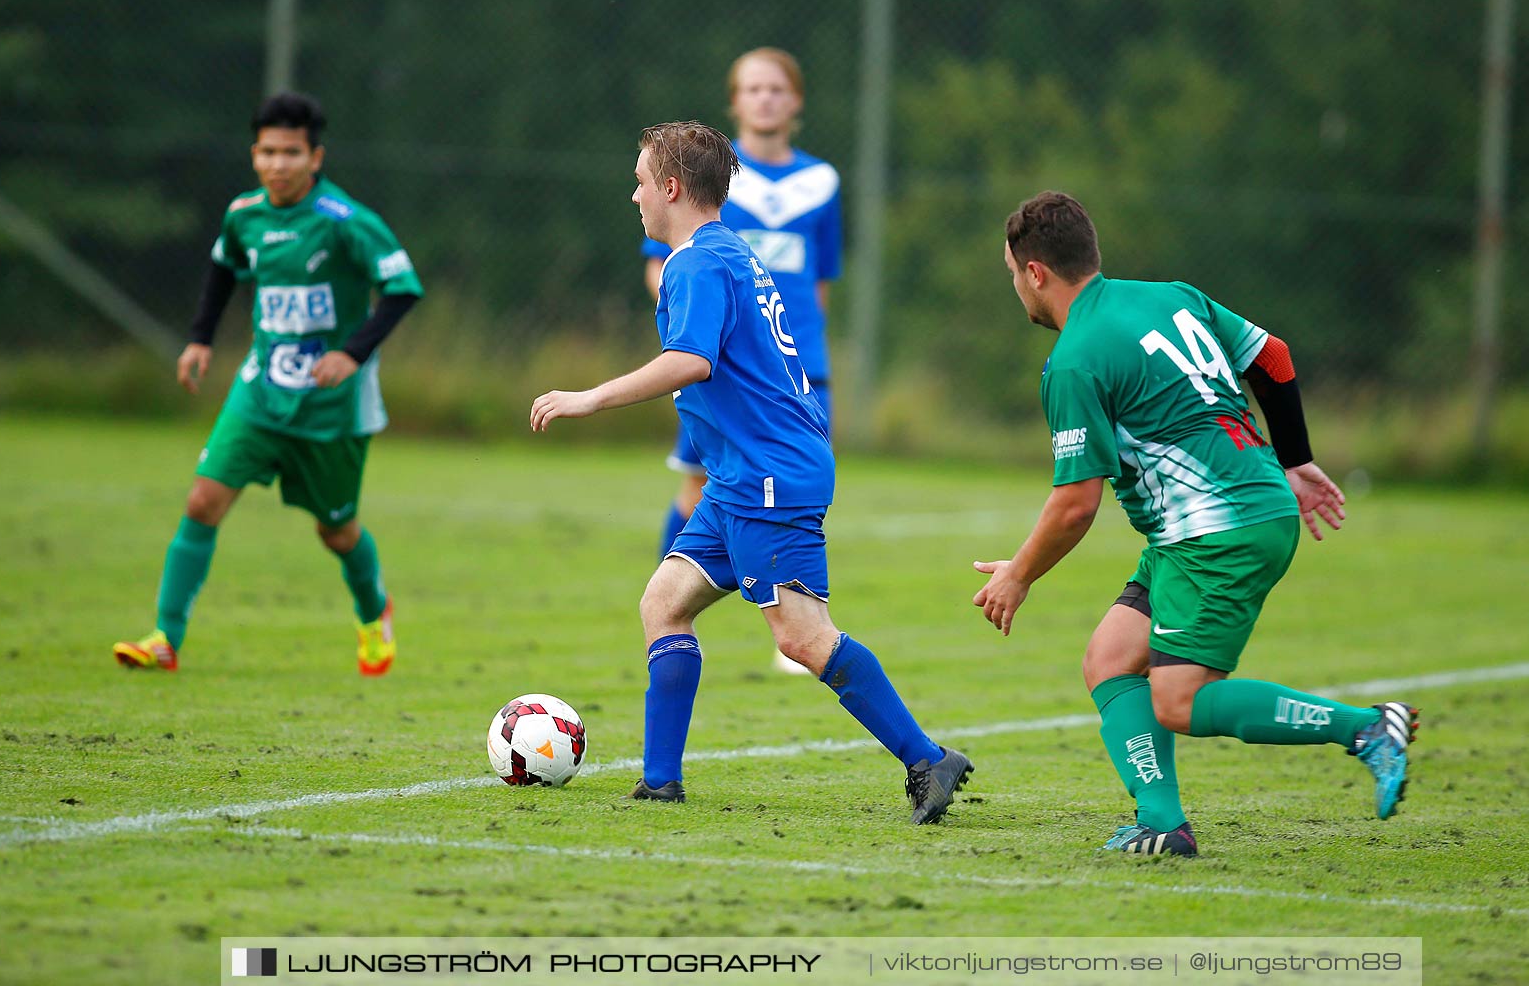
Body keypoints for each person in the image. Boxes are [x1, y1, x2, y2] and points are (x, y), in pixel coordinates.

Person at [532, 120, 970, 822]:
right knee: (665, 602)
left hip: (769, 473)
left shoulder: (697, 263)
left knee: (802, 637)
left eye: (642, 181)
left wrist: (592, 396)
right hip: (742, 473)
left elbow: (692, 360)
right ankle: (660, 781)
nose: (635, 194)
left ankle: (927, 759)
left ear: (672, 188)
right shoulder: (726, 250)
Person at [971, 191, 1417, 856]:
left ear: (1035, 273)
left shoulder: (1074, 359)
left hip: (1217, 531)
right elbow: (1274, 358)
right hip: (1222, 517)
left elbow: (1076, 505)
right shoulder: (1171, 296)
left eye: (1012, 274)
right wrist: (1295, 460)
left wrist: (1019, 576)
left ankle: (1366, 729)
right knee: (1110, 659)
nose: (1015, 288)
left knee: (1178, 699)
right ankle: (1162, 824)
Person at [113, 92, 423, 675]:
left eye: (290, 152)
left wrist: (351, 355)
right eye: (266, 151)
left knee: (335, 529)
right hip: (259, 389)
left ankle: (373, 610)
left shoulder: (347, 223)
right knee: (203, 501)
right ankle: (165, 637)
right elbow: (224, 268)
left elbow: (404, 288)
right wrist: (200, 338)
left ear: (315, 157)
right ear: (254, 154)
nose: (277, 164)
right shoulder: (244, 214)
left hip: (331, 405)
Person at [641, 50, 842, 678]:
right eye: (752, 89)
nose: (764, 99)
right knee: (701, 485)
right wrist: (701, 330)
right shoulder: (705, 180)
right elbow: (662, 265)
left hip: (791, 364)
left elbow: (822, 276)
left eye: (776, 88)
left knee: (789, 486)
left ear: (797, 101)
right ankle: (671, 605)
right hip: (715, 363)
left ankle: (796, 617)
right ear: (735, 101)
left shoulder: (822, 183)